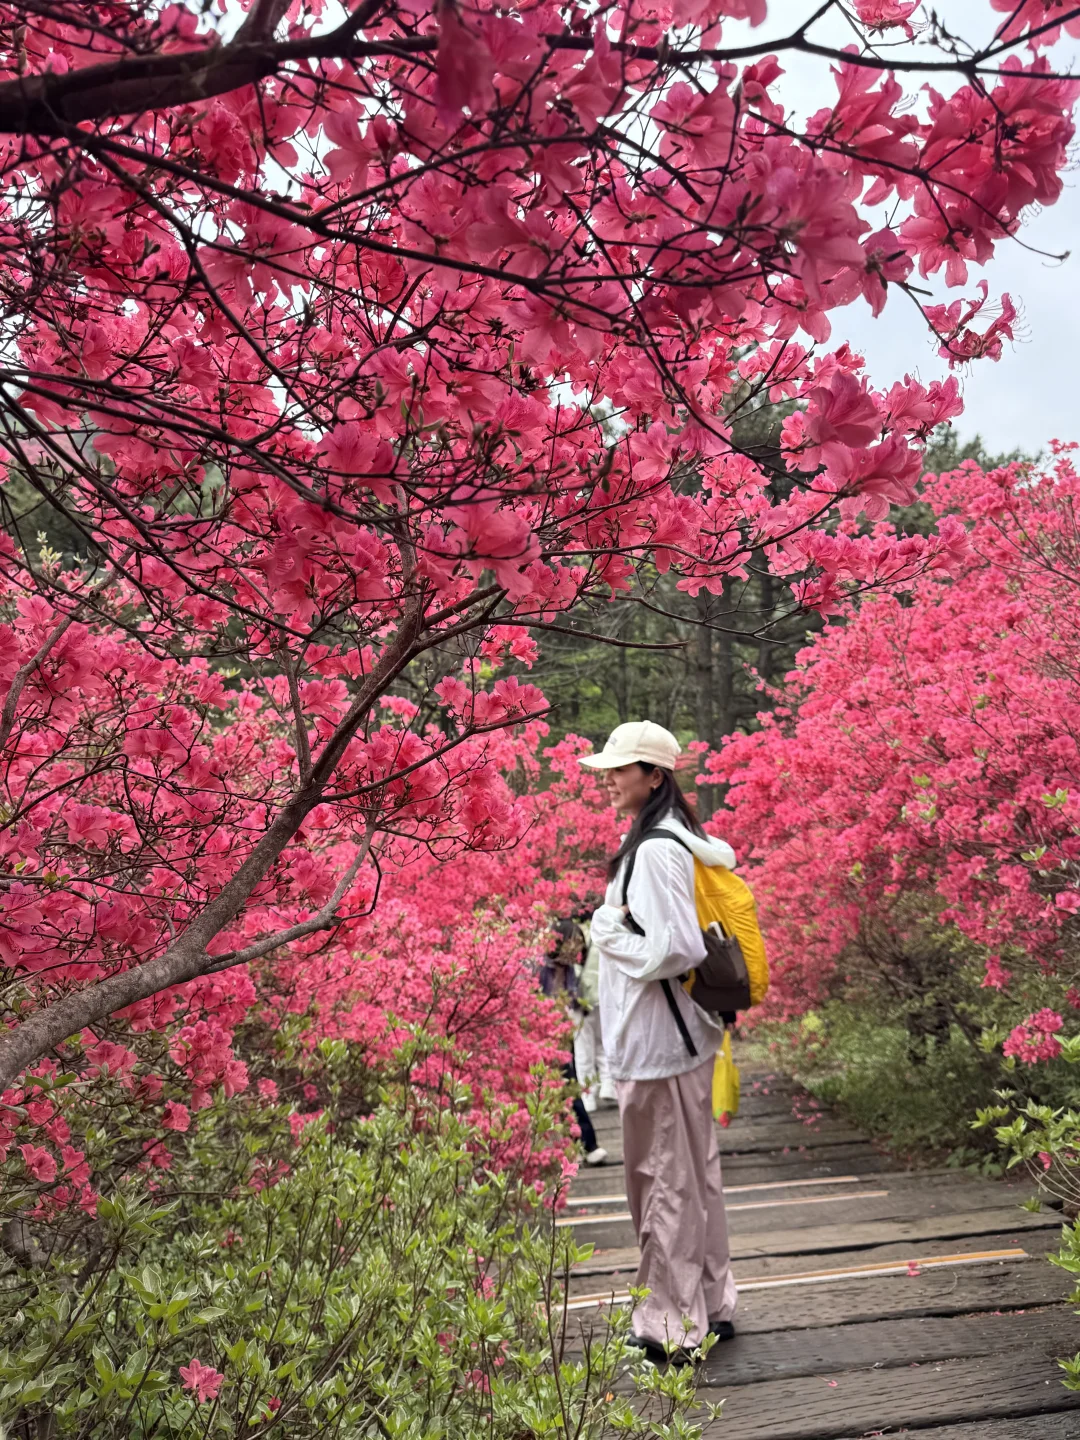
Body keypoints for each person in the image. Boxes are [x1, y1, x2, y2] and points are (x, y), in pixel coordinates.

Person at [581, 720, 739, 1364]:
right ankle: (712, 1300)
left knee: (662, 1179)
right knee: (694, 1176)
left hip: (657, 1044)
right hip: (679, 1040)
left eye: (623, 768)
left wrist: (605, 931)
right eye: (611, 768)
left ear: (656, 776)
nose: (611, 779)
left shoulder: (653, 850)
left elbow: (676, 948)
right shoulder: (676, 838)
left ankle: (671, 1322)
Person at [539, 918, 609, 1167]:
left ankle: (586, 1146)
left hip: (558, 1039)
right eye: (573, 945)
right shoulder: (538, 967)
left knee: (569, 1092)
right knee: (554, 1097)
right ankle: (578, 1147)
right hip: (535, 1042)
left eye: (579, 946)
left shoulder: (568, 971)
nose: (577, 952)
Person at [573, 914, 616, 1112]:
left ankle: (588, 1094)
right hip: (601, 995)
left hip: (577, 999)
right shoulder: (602, 928)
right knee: (603, 1043)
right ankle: (608, 1085)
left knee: (583, 1048)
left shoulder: (569, 932)